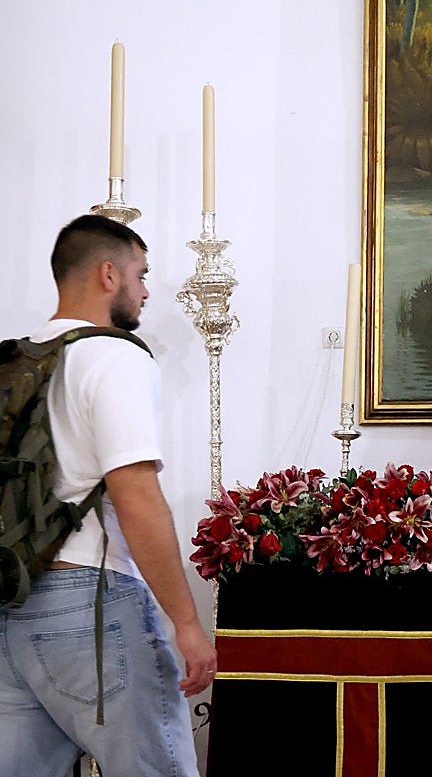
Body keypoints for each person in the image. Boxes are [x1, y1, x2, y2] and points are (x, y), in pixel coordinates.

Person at [0, 214, 216, 776]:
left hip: (9, 606)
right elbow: (136, 492)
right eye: (141, 275)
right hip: (89, 603)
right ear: (107, 274)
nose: (145, 291)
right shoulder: (116, 356)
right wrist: (187, 624)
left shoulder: (11, 362)